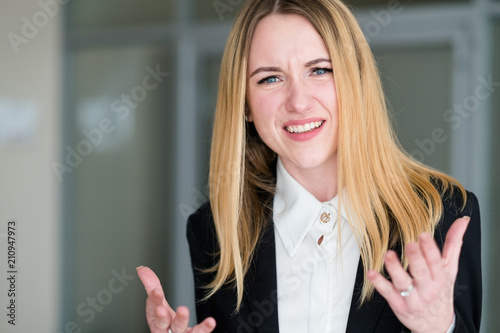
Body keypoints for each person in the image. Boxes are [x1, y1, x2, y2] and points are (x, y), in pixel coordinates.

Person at [137, 0, 482, 332]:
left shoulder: (443, 214)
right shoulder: (214, 230)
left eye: (319, 70)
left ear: (356, 83)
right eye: (270, 78)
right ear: (245, 104)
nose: (298, 102)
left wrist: (438, 328)